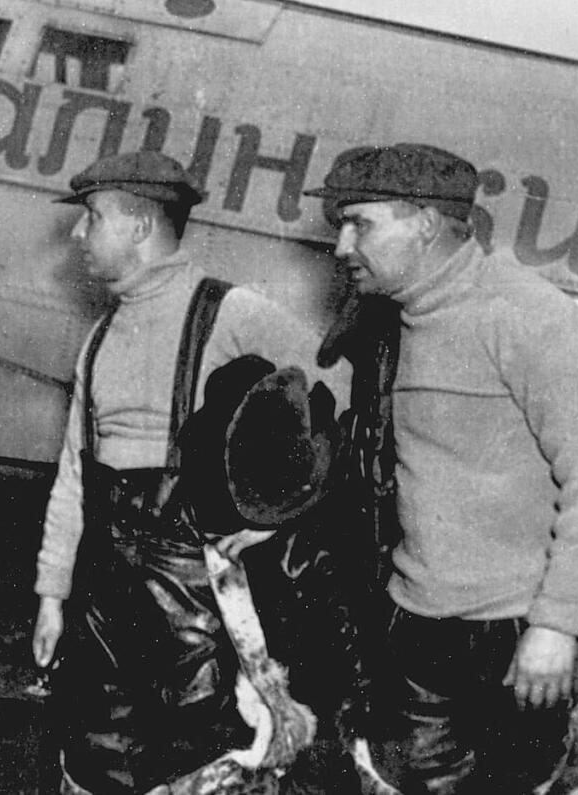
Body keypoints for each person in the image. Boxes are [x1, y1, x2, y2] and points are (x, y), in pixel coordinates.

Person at [303, 144, 578, 793]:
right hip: (416, 629)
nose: (343, 244)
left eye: (362, 223)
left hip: (520, 638)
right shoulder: (386, 322)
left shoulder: (526, 315)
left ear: (428, 223)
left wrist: (554, 624)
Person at [30, 151, 353, 793]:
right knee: (97, 757)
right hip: (104, 593)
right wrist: (51, 595)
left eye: (92, 217)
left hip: (196, 602)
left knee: (199, 759)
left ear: (142, 227)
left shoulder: (231, 313)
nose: (78, 234)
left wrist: (279, 517)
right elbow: (74, 471)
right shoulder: (100, 335)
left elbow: (338, 402)